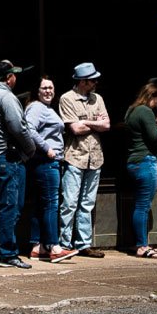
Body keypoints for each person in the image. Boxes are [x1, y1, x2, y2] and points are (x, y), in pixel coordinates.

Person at [0, 59, 36, 269]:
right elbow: (18, 127)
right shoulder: (6, 97)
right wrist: (30, 149)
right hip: (6, 156)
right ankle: (7, 254)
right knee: (10, 206)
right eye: (14, 75)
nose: (16, 78)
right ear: (8, 78)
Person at [58, 61, 110, 258]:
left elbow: (107, 125)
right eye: (92, 80)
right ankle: (64, 243)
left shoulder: (98, 99)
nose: (95, 83)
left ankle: (83, 243)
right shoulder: (67, 99)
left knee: (87, 203)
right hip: (75, 156)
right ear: (82, 81)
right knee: (70, 202)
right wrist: (96, 123)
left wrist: (87, 121)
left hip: (95, 157)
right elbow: (75, 129)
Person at [24, 76, 74, 262]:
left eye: (51, 87)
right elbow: (29, 129)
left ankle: (37, 247)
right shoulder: (37, 107)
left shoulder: (44, 108)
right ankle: (54, 246)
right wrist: (47, 148)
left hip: (44, 163)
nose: (48, 91)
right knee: (51, 204)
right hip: (46, 162)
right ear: (37, 91)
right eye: (44, 88)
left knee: (40, 205)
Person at [124, 82, 157, 258]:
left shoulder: (131, 110)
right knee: (143, 206)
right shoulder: (145, 111)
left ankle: (139, 244)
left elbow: (142, 132)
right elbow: (155, 137)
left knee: (139, 205)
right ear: (151, 96)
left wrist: (155, 123)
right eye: (156, 100)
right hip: (145, 162)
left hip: (134, 163)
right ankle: (142, 246)